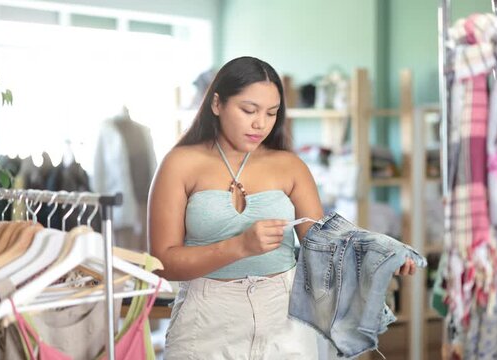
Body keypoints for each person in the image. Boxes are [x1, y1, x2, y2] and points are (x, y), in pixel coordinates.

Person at [148, 56, 417, 359]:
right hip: (205, 319)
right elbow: (162, 261)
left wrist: (379, 256)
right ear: (216, 104)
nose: (259, 123)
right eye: (248, 110)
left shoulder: (289, 166)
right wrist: (239, 246)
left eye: (271, 113)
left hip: (283, 320)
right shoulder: (179, 164)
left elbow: (324, 249)